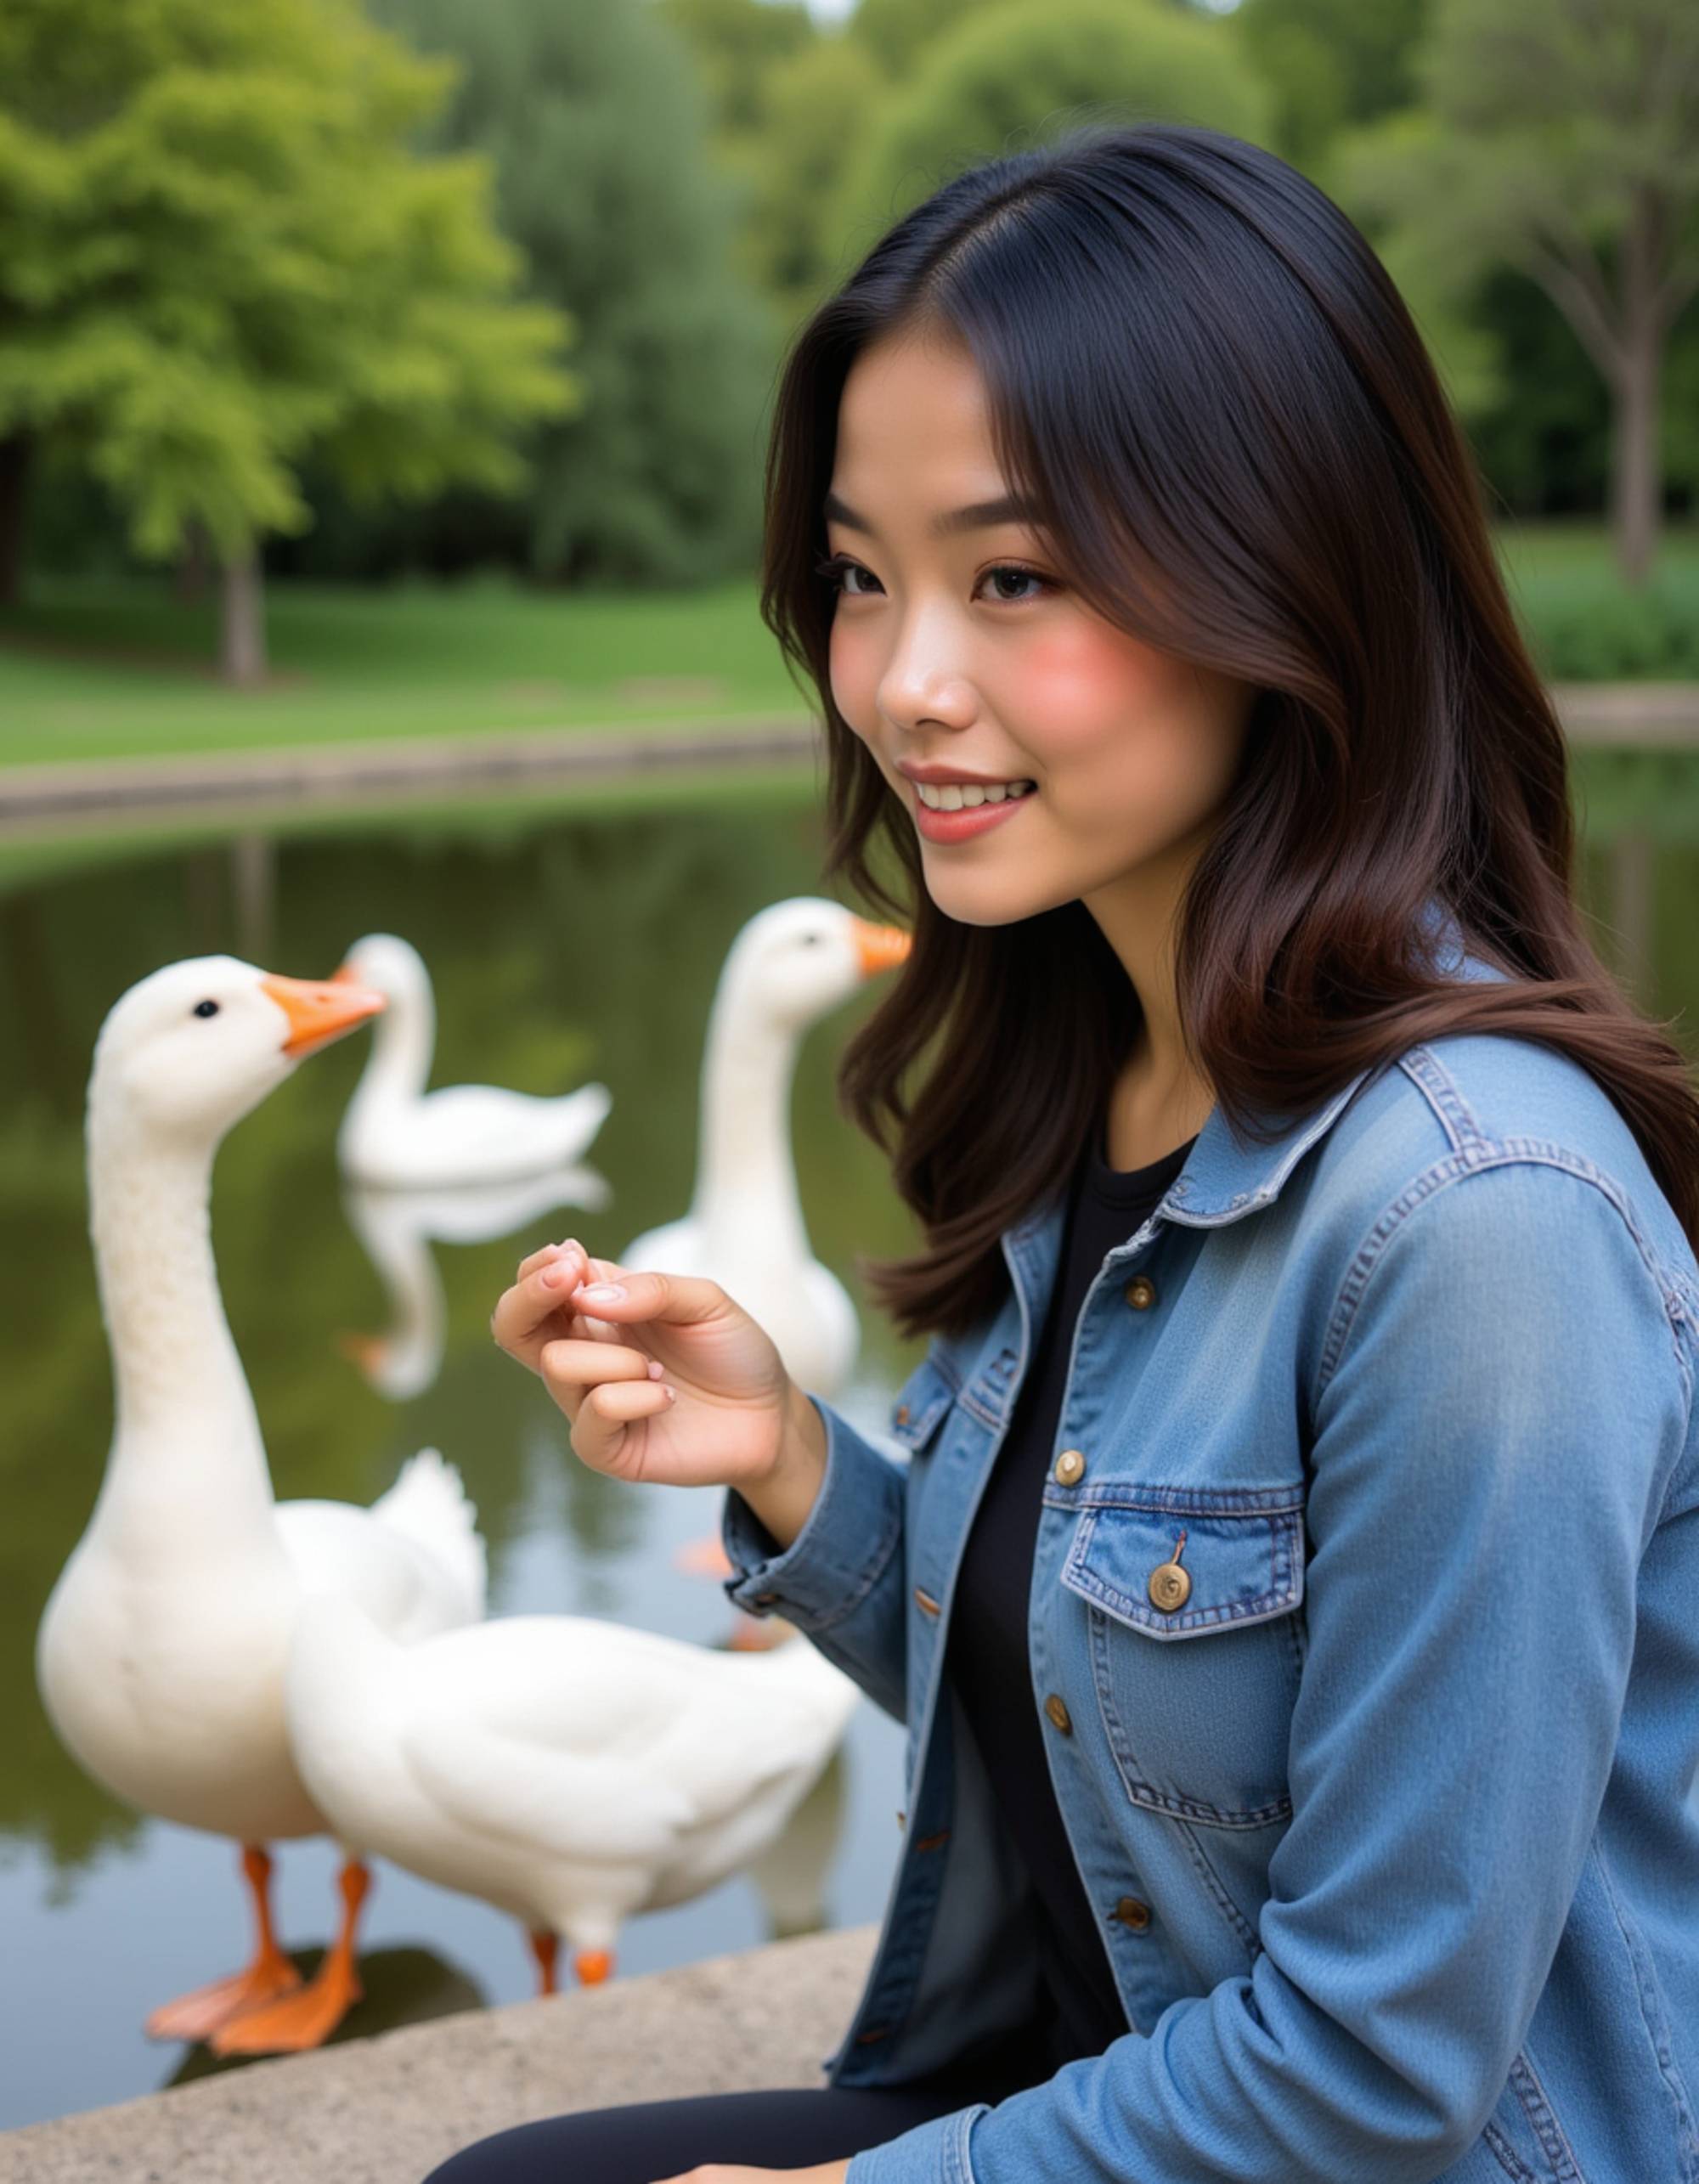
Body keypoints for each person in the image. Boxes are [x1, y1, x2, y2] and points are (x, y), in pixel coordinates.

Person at [430, 120, 1699, 2184]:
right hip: (1113, 2069)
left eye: (1012, 576)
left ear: (1279, 564)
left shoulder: (1479, 1221)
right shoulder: (1107, 1068)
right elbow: (1100, 1687)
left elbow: (1379, 2072)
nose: (902, 683)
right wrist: (792, 1463)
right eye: (860, 577)